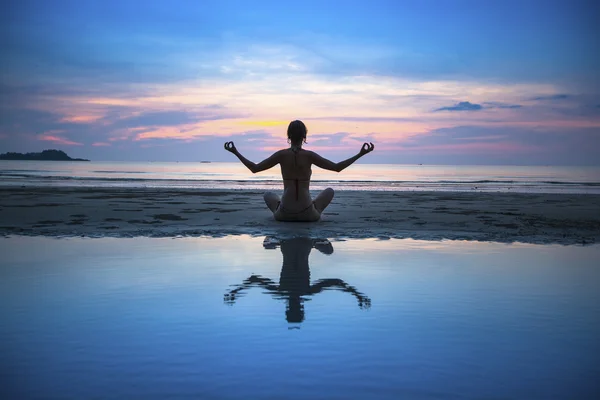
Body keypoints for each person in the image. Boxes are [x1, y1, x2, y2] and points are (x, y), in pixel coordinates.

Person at [224, 120, 374, 221]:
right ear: (304, 136)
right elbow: (337, 168)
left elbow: (254, 169)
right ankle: (312, 206)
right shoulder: (309, 156)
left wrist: (235, 152)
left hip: (284, 214)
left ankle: (283, 207)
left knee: (268, 195)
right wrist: (360, 154)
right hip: (307, 214)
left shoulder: (281, 155)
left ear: (288, 136)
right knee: (329, 191)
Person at [224, 237, 371, 323]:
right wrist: (357, 294)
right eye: (299, 308)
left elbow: (254, 279)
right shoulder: (294, 292)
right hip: (300, 242)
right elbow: (336, 282)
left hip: (295, 242)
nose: (298, 305)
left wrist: (236, 291)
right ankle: (313, 241)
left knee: (267, 245)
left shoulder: (295, 292)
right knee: (328, 250)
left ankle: (310, 241)